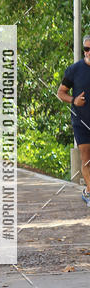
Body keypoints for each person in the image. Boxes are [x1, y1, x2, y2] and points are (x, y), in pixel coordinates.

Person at [57, 35, 90, 204]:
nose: (88, 52)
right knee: (86, 158)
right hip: (81, 122)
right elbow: (60, 93)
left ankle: (87, 191)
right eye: (86, 49)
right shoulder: (74, 69)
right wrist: (74, 100)